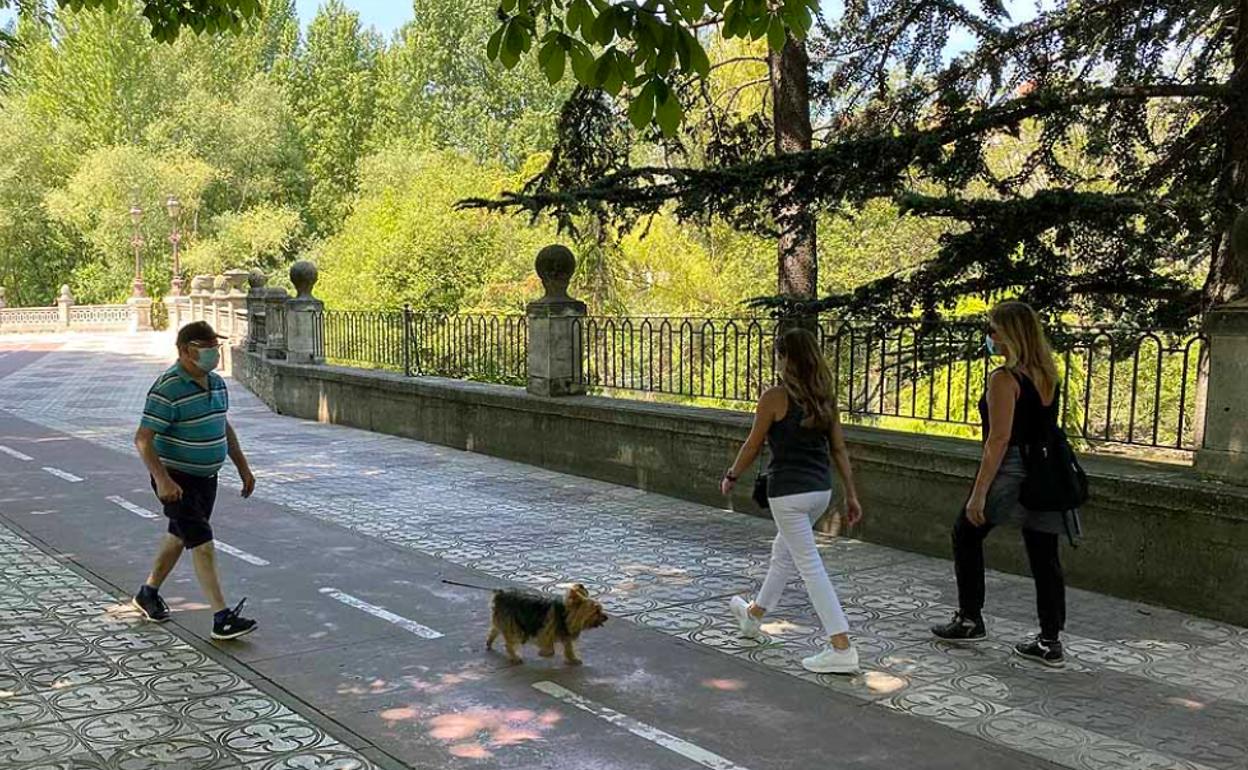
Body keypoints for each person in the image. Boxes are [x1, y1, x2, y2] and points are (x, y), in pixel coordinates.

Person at [931, 301, 1072, 667]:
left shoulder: (1004, 379)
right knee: (1045, 555)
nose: (989, 336)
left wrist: (978, 494)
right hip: (1044, 470)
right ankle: (1049, 639)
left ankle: (969, 618)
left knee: (967, 532)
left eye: (993, 329)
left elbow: (998, 439)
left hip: (1010, 468)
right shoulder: (1047, 373)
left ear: (1010, 334)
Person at [720, 327, 864, 674]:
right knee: (782, 555)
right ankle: (753, 618)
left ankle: (841, 647)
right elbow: (839, 449)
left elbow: (753, 444)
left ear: (786, 358)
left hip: (787, 494)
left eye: (779, 355)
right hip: (820, 492)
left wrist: (732, 475)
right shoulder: (824, 397)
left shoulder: (775, 397)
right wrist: (852, 495)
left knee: (809, 566)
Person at [131, 320, 258, 641]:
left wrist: (243, 468)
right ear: (187, 351)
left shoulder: (216, 383)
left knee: (179, 535)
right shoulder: (168, 388)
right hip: (176, 479)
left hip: (206, 478)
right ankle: (221, 617)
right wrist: (161, 479)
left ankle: (148, 593)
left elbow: (222, 427)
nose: (215, 353)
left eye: (217, 346)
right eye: (208, 348)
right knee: (201, 541)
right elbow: (143, 439)